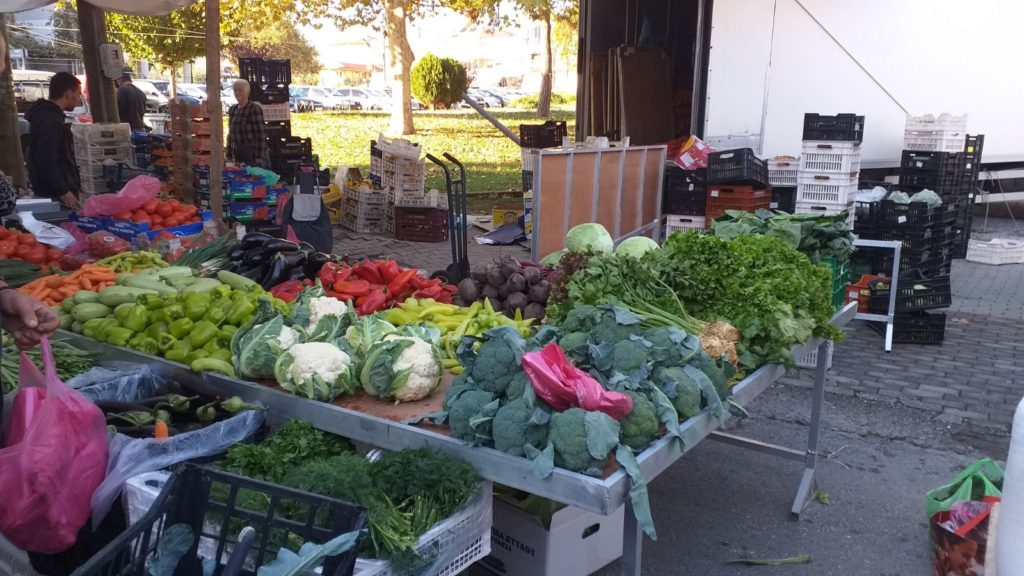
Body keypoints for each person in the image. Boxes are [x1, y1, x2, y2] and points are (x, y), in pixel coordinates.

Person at [26, 72, 82, 209]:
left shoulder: (46, 115)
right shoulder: (51, 119)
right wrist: (62, 190)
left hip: (50, 187)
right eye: (78, 94)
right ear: (69, 93)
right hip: (53, 192)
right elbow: (46, 158)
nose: (79, 99)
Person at [226, 79, 267, 166]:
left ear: (247, 92)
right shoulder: (233, 109)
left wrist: (259, 159)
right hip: (237, 155)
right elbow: (231, 133)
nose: (237, 93)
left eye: (240, 90)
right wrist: (228, 153)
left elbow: (261, 135)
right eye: (235, 90)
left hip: (251, 155)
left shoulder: (254, 109)